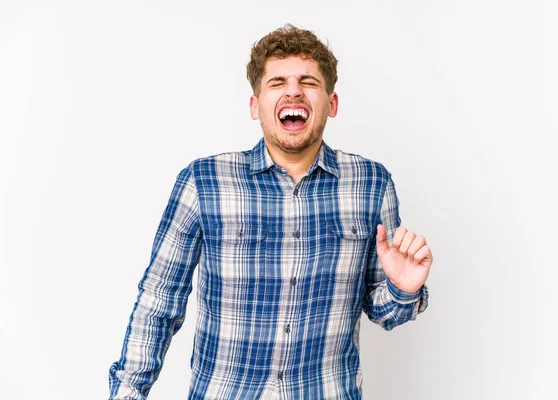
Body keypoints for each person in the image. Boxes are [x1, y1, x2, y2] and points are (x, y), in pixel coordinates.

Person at [109, 24, 433, 400]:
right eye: (277, 82)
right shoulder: (203, 182)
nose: (293, 90)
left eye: (308, 82)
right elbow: (158, 302)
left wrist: (403, 289)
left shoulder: (372, 184)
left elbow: (385, 312)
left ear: (332, 103)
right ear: (254, 105)